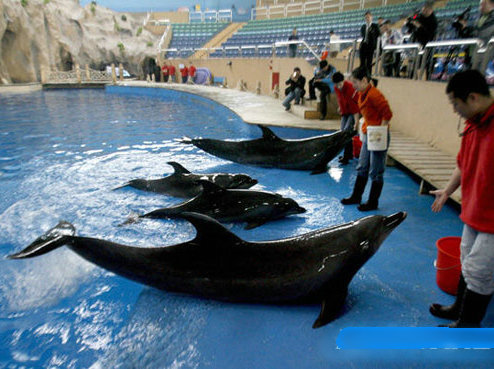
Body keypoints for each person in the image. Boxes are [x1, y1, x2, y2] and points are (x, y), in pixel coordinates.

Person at [429, 70, 494, 328]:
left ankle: (468, 326)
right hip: (473, 213)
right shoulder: (473, 125)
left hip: (492, 221)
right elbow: (462, 164)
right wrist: (447, 191)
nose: (455, 110)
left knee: (480, 272)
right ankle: (458, 308)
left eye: (456, 104)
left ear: (473, 98)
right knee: (467, 261)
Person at [341, 66, 392, 211]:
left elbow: (387, 114)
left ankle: (373, 202)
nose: (354, 86)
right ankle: (356, 196)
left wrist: (380, 132)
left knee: (376, 171)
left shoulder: (374, 95)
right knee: (362, 166)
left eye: (355, 83)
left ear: (364, 80)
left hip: (377, 136)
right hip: (369, 134)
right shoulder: (362, 93)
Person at [332, 71, 359, 164]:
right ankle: (350, 154)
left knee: (346, 132)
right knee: (343, 132)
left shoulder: (350, 88)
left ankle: (346, 157)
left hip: (353, 112)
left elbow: (355, 107)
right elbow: (341, 99)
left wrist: (356, 122)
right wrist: (341, 107)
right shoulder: (336, 88)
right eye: (336, 84)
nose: (339, 86)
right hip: (345, 112)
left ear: (343, 81)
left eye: (340, 84)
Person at [409, 1, 437, 79]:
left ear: (430, 10)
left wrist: (419, 27)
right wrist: (413, 18)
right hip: (418, 43)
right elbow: (412, 19)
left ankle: (424, 80)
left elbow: (429, 33)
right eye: (423, 10)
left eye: (425, 10)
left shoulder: (433, 21)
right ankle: (416, 78)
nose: (423, 12)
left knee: (425, 64)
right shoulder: (420, 16)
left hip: (428, 44)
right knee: (416, 63)